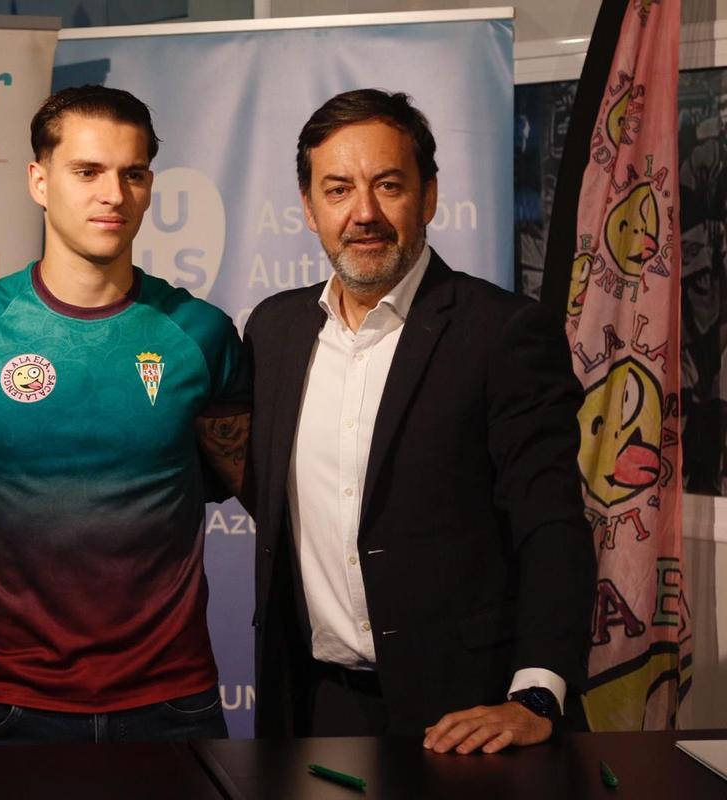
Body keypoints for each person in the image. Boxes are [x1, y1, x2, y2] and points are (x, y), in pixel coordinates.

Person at [244, 89, 595, 753]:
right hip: (314, 707)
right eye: (339, 189)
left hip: (467, 712)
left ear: (429, 196)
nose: (364, 213)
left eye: (388, 185)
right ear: (309, 207)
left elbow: (551, 522)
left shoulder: (502, 333)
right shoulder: (274, 331)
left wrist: (537, 690)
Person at [0, 85, 251, 745]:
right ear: (39, 181)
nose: (113, 194)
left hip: (173, 704)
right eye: (87, 171)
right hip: (11, 705)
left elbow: (247, 484)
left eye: (133, 174)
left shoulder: (200, 333)